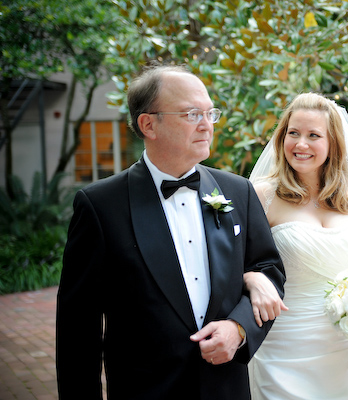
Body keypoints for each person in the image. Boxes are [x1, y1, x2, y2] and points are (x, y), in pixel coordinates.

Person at [55, 64, 286, 400]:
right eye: (192, 114)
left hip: (226, 389)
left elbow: (270, 270)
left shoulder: (238, 191)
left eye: (210, 113)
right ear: (149, 124)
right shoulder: (100, 206)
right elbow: (79, 330)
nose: (207, 125)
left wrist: (238, 329)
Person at [246, 93, 348, 399]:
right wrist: (250, 278)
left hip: (347, 349)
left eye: (314, 135)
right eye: (293, 133)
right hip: (284, 346)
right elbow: (237, 265)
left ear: (332, 143)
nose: (300, 144)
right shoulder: (262, 196)